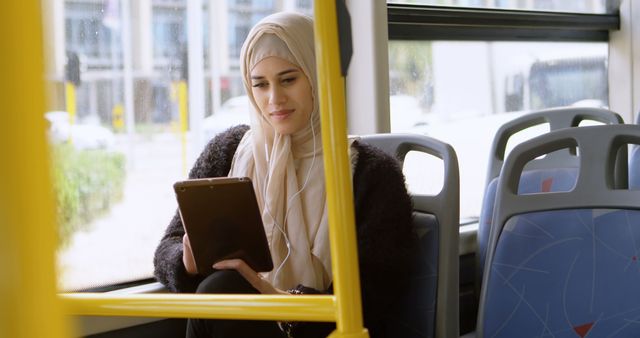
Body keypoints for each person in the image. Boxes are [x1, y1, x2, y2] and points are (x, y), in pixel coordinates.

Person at [153, 11, 417, 338]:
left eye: (289, 79)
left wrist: (277, 299)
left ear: (318, 77)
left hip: (324, 331)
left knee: (223, 290)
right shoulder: (228, 151)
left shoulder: (373, 175)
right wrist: (186, 263)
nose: (274, 99)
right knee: (221, 287)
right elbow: (166, 248)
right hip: (241, 317)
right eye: (260, 85)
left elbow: (375, 299)